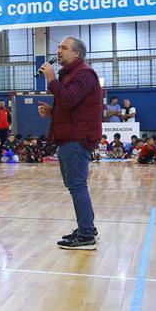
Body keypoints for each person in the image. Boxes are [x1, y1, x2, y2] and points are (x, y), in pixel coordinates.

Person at [38, 37, 103, 251]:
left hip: (77, 138)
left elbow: (68, 99)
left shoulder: (84, 73)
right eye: (58, 47)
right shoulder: (71, 74)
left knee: (77, 186)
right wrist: (52, 112)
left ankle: (85, 234)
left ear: (77, 54)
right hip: (69, 136)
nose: (58, 51)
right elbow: (71, 105)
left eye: (63, 48)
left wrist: (50, 78)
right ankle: (87, 228)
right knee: (74, 185)